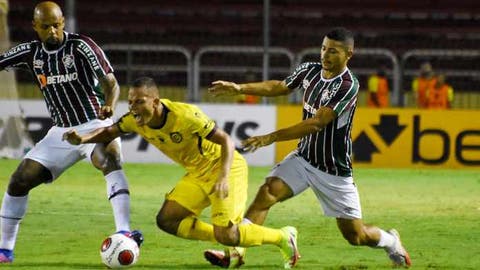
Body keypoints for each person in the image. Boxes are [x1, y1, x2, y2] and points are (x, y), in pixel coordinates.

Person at [205, 27, 411, 268]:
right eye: (323, 48)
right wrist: (240, 88)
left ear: (349, 55)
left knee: (356, 236)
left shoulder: (348, 85)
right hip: (304, 158)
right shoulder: (310, 70)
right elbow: (279, 87)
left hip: (333, 170)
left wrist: (270, 137)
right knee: (267, 192)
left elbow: (316, 123)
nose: (325, 55)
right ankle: (236, 252)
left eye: (333, 51)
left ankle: (390, 241)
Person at [63, 77, 300, 269]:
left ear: (155, 101)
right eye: (131, 102)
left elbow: (226, 140)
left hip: (223, 167)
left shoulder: (184, 115)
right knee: (167, 220)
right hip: (197, 173)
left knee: (228, 234)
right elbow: (111, 131)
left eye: (139, 102)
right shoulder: (136, 120)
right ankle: (232, 243)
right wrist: (83, 138)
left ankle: (282, 237)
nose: (133, 108)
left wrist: (223, 177)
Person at [0, 1, 142, 263]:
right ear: (35, 27)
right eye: (45, 27)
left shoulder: (81, 46)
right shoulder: (31, 53)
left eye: (56, 25)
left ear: (63, 22)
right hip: (61, 132)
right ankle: (4, 251)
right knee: (19, 181)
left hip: (94, 124)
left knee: (109, 159)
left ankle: (125, 231)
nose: (52, 31)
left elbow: (110, 82)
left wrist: (109, 104)